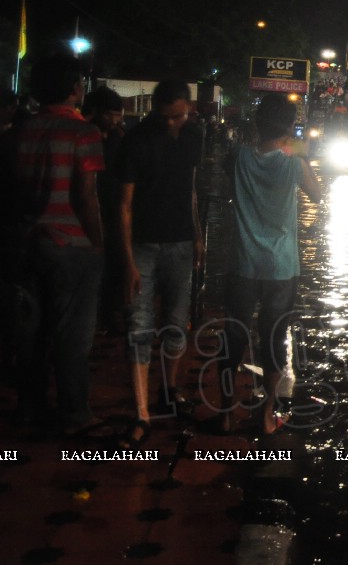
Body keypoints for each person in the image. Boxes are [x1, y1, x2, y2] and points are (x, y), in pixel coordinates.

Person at [4, 54, 106, 437]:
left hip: (26, 243)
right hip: (72, 245)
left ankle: (30, 406)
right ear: (73, 89)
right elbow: (86, 196)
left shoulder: (18, 132)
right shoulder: (84, 134)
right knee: (71, 334)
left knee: (30, 331)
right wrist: (98, 244)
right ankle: (75, 413)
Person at [219, 94, 321, 435]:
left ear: (257, 123)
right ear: (290, 127)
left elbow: (226, 176)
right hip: (280, 266)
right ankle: (266, 415)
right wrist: (297, 151)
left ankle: (225, 411)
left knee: (234, 333)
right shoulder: (293, 162)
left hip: (242, 262)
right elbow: (317, 194)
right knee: (274, 337)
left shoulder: (238, 156)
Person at [116, 79, 205, 448]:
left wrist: (199, 236)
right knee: (139, 325)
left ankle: (169, 392)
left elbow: (191, 190)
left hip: (182, 241)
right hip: (143, 244)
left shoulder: (193, 136)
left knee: (175, 322)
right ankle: (141, 413)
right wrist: (127, 262)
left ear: (189, 109)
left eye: (180, 116)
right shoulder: (136, 140)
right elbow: (124, 204)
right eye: (167, 117)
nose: (174, 123)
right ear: (155, 110)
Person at [82, 86, 127, 334]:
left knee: (114, 264)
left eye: (118, 114)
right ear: (97, 111)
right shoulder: (85, 136)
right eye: (111, 114)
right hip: (86, 211)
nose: (116, 119)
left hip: (112, 209)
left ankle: (109, 313)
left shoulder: (118, 138)